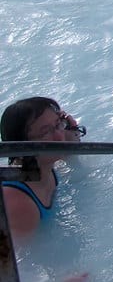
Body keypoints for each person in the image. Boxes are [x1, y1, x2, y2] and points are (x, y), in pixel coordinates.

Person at [1, 97, 84, 237]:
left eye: (58, 125)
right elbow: (25, 256)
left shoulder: (41, 167)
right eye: (46, 132)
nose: (59, 136)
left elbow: (78, 174)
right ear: (22, 146)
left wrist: (73, 136)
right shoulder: (19, 202)